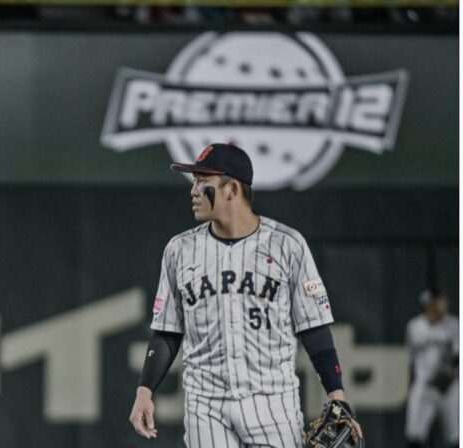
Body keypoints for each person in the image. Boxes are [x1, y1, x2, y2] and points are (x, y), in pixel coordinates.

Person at [129, 143, 362, 447]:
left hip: (272, 402)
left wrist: (337, 396)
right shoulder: (179, 250)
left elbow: (314, 328)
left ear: (232, 189)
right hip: (206, 404)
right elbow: (167, 333)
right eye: (195, 181)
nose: (193, 191)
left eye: (203, 182)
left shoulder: (287, 245)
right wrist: (144, 391)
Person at [405, 287, 459, 448]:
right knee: (414, 433)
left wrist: (443, 381)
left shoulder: (453, 325)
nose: (441, 305)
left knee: (456, 434)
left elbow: (457, 357)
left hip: (448, 386)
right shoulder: (415, 326)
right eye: (437, 302)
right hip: (424, 384)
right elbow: (411, 357)